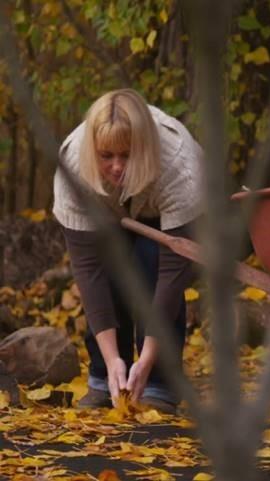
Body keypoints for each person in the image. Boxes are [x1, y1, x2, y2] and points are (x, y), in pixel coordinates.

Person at [53, 89, 203, 414]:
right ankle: (106, 376)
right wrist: (112, 360)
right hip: (105, 213)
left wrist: (146, 359)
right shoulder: (72, 167)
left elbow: (172, 275)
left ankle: (158, 381)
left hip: (165, 217)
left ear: (143, 148)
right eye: (106, 156)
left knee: (151, 260)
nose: (117, 166)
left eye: (127, 154)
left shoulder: (179, 164)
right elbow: (89, 270)